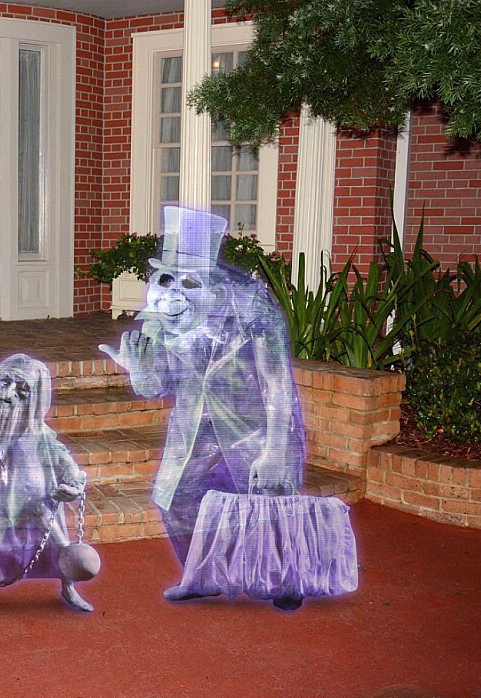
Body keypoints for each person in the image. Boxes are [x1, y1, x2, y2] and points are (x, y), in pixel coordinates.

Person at [101, 206, 356, 610]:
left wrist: (275, 450)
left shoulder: (253, 307)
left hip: (254, 424)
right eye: (165, 278)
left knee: (269, 502)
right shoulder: (160, 313)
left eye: (188, 281)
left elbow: (276, 381)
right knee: (177, 499)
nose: (173, 291)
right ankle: (201, 576)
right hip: (195, 427)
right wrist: (139, 371)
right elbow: (155, 386)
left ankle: (284, 580)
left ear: (213, 281)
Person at [0, 354, 93, 612]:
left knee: (61, 546)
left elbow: (68, 465)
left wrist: (74, 487)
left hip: (38, 503)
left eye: (22, 390)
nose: (10, 393)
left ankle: (69, 587)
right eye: (5, 382)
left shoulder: (40, 434)